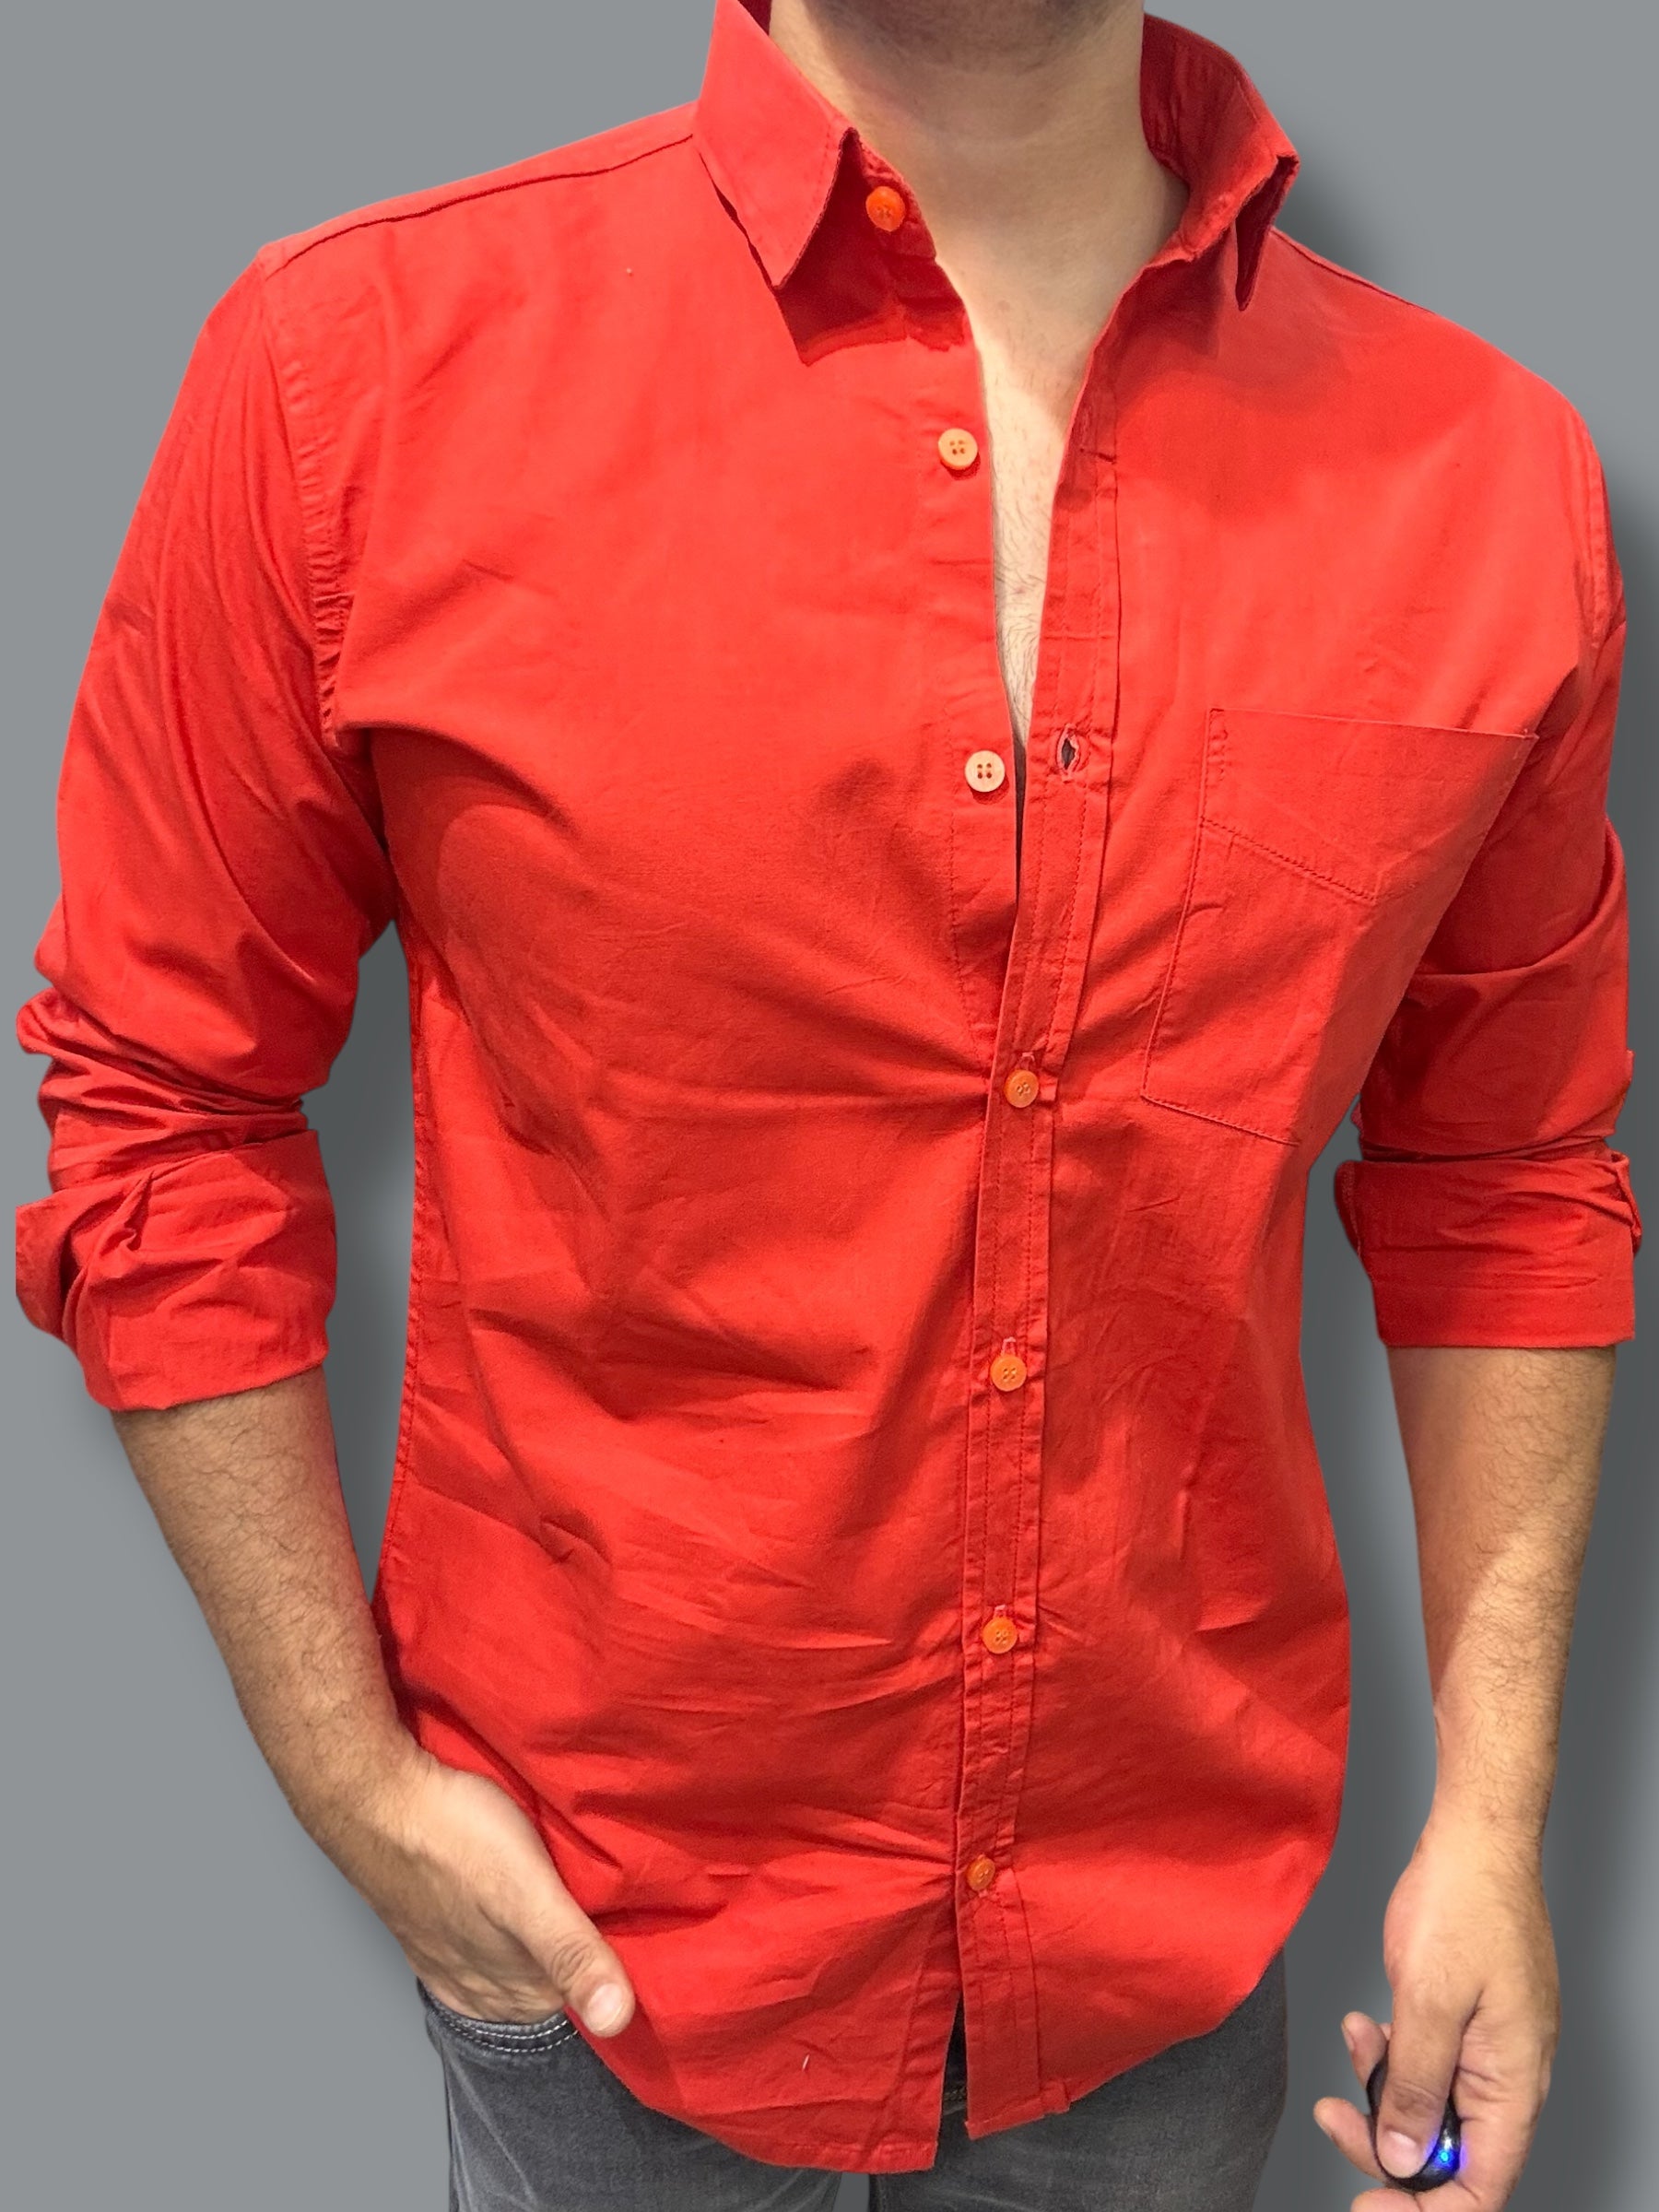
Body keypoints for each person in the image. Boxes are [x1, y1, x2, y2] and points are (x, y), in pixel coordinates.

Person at [14, 1, 1639, 2206]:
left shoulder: (1485, 473)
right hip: (591, 1932)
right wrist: (338, 1770)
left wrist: (1493, 1824)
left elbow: (1506, 1175)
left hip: (1170, 1943)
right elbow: (162, 1090)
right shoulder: (357, 368)